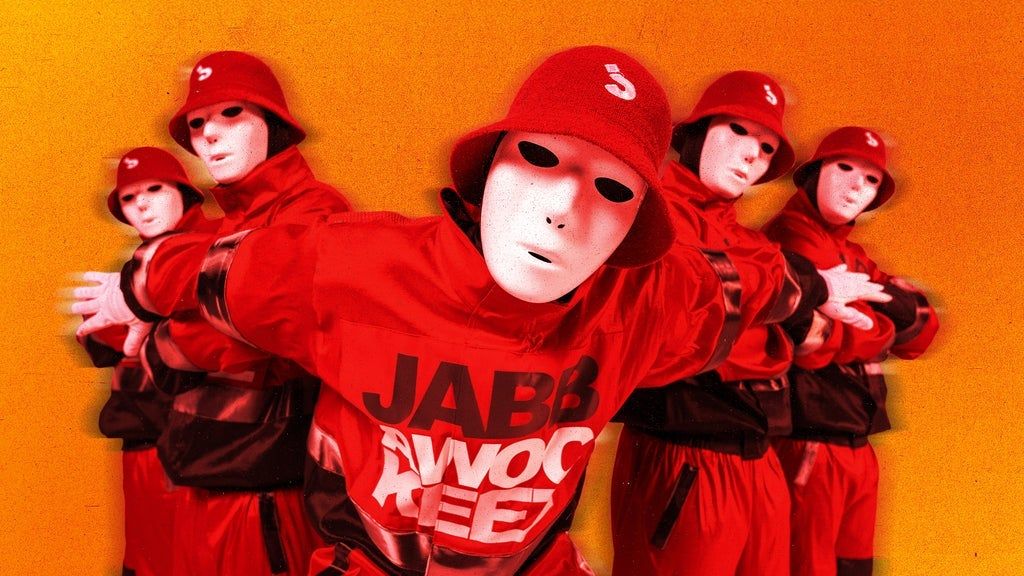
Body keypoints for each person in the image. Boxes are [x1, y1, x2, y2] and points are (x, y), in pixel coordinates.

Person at [75, 46, 811, 575]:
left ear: (632, 233)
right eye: (541, 159)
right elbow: (212, 269)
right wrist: (133, 285)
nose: (562, 207)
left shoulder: (651, 296)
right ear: (488, 168)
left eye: (612, 190)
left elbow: (747, 289)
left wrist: (808, 293)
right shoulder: (350, 264)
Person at [81, 51, 353, 576]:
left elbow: (271, 330)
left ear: (273, 122)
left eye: (231, 113)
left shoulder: (316, 211)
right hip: (199, 483)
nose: (208, 134)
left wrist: (169, 336)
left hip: (268, 497)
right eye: (198, 122)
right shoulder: (222, 226)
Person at [610, 71, 890, 576]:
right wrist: (787, 298)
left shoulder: (749, 239)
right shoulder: (650, 217)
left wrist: (774, 300)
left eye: (765, 148)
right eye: (737, 130)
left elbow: (785, 316)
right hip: (684, 456)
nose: (750, 155)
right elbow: (682, 323)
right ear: (697, 133)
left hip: (760, 460)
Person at [763, 126, 939, 576]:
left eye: (871, 179)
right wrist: (889, 323)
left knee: (855, 567)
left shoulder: (854, 253)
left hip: (857, 444)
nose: (857, 186)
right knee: (809, 567)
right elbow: (814, 343)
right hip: (809, 441)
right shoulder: (789, 237)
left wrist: (882, 320)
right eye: (844, 167)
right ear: (815, 172)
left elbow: (922, 333)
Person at [77, 146, 211, 576]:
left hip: (194, 447)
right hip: (144, 448)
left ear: (184, 192)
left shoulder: (211, 247)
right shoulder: (140, 263)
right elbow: (100, 338)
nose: (143, 205)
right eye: (130, 198)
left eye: (154, 189)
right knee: (146, 562)